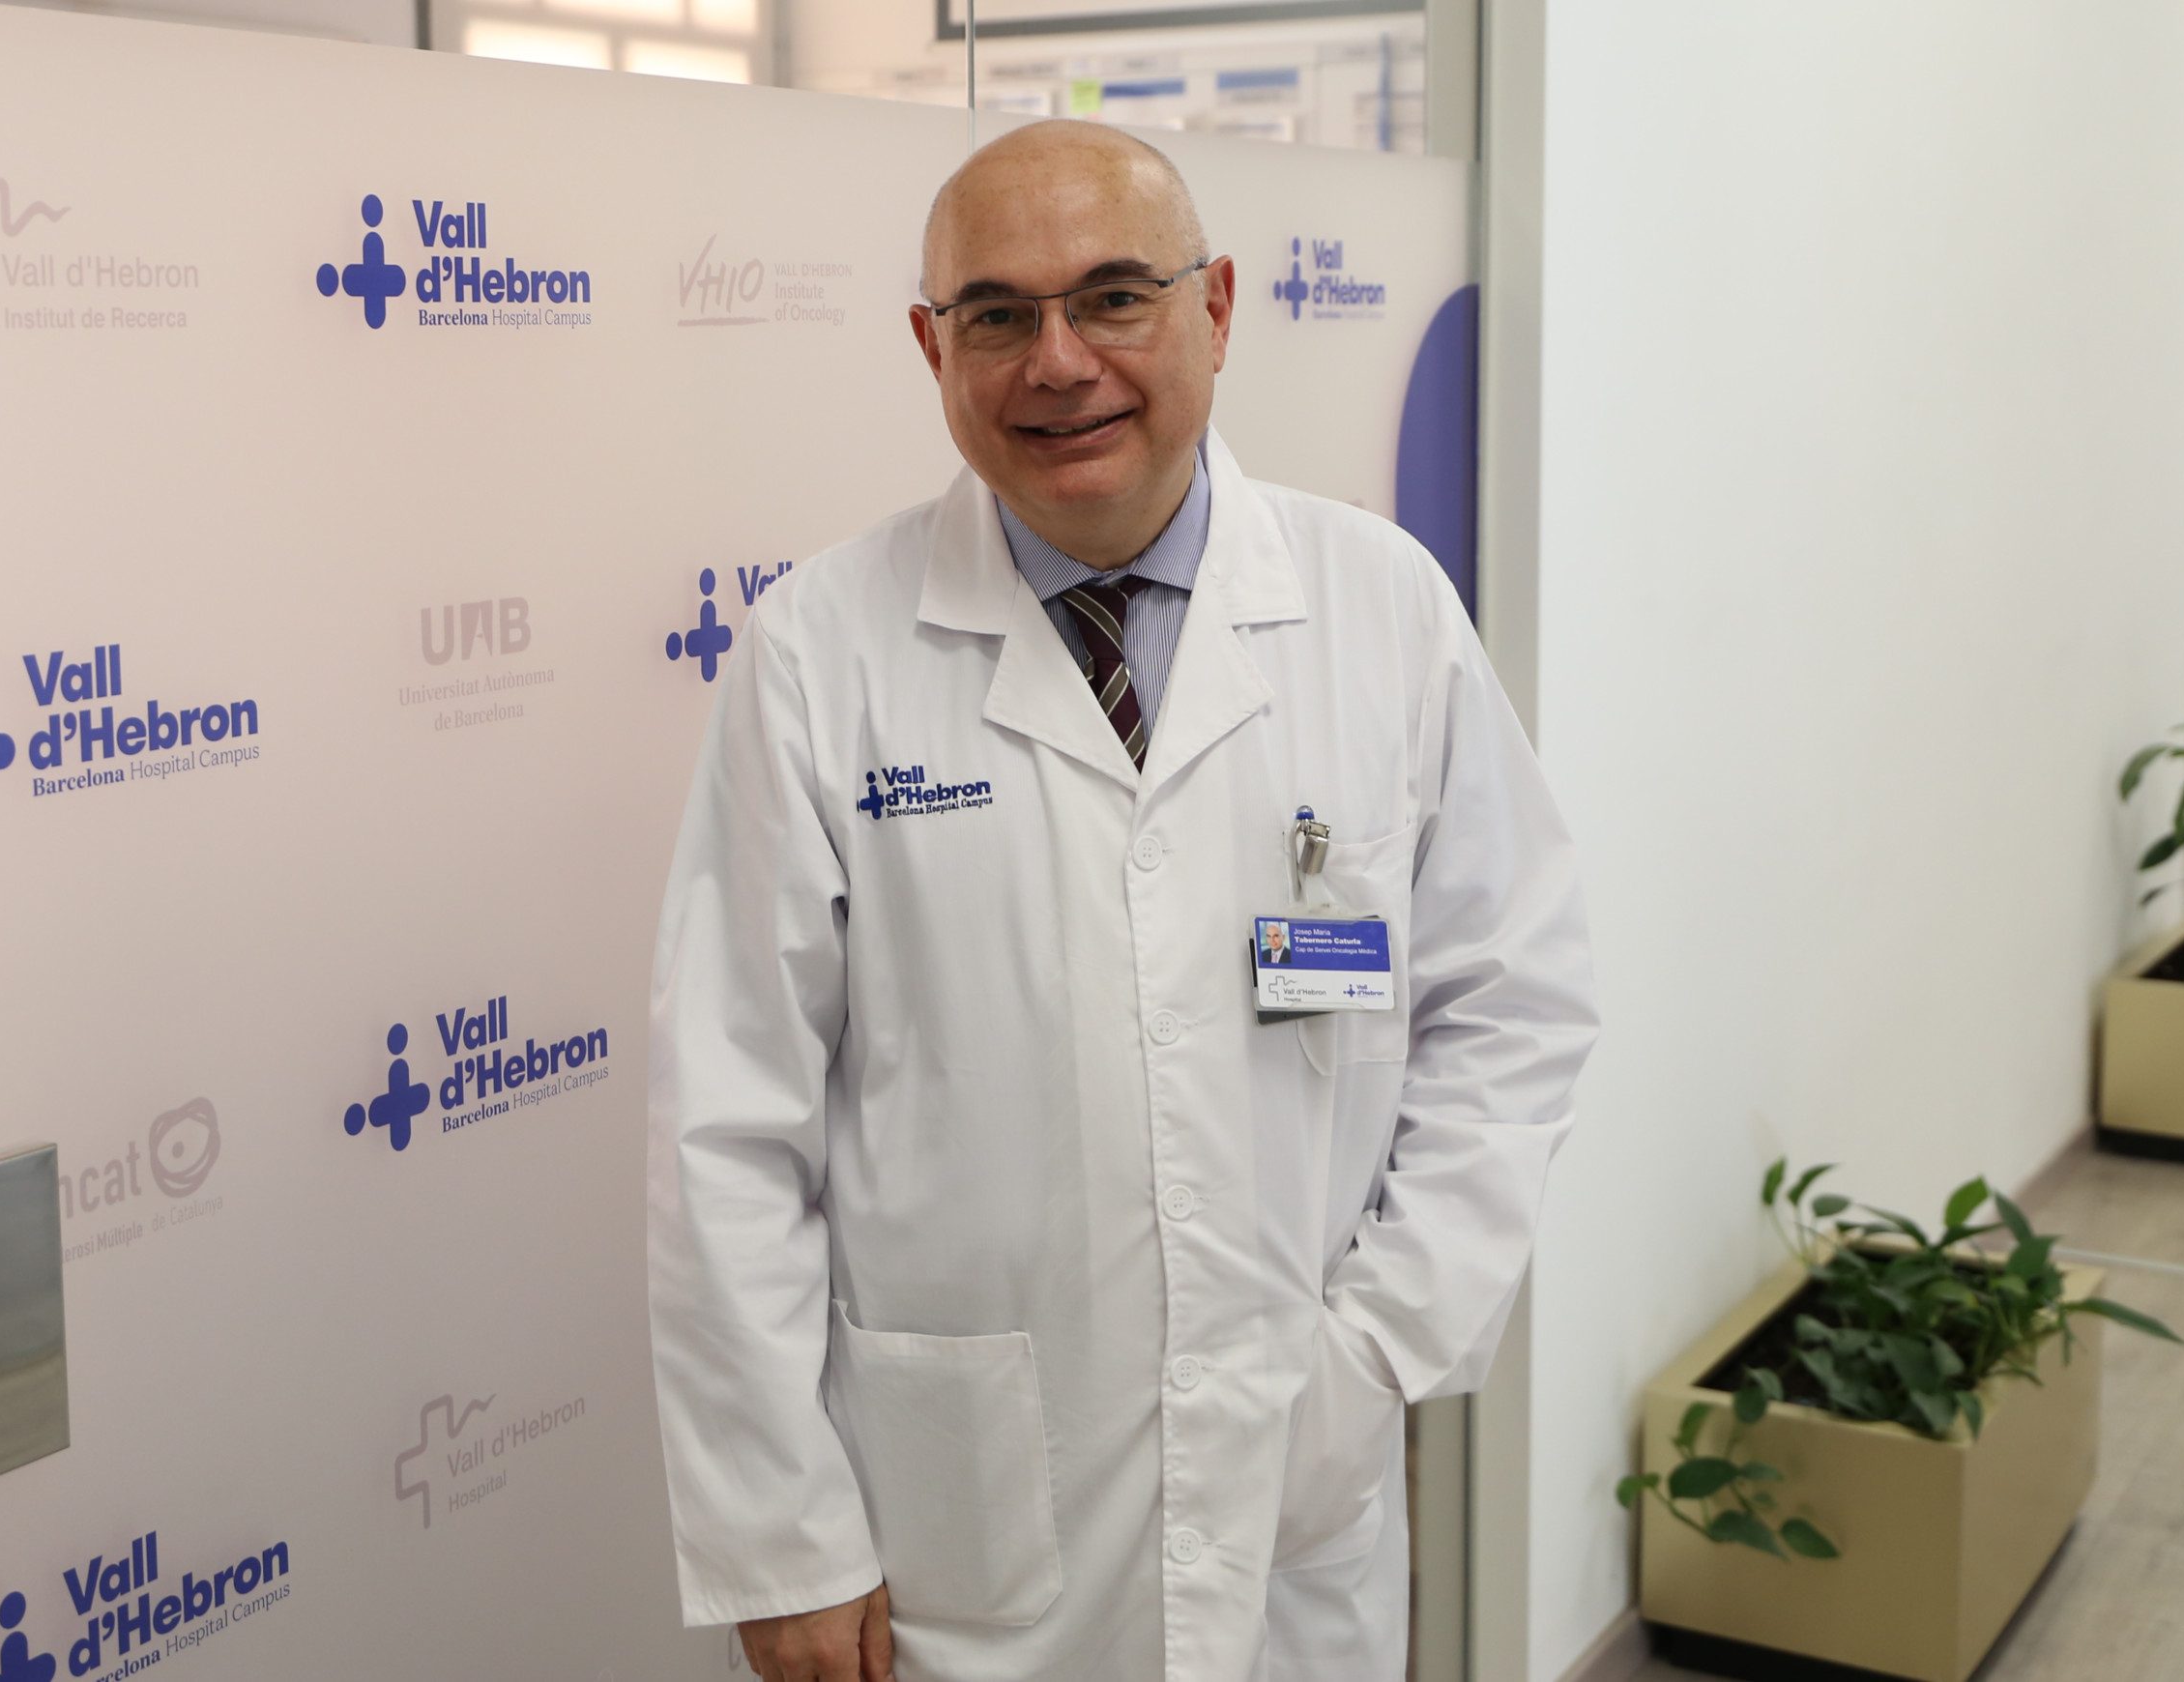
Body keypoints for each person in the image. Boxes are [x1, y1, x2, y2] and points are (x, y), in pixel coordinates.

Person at [647, 120, 1597, 1682]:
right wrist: (782, 1531)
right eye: (995, 315)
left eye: (1112, 296)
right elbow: (725, 1123)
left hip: (1294, 1486)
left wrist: (1379, 1345)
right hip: (958, 1527)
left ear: (1214, 309)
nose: (1057, 361)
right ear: (931, 350)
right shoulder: (817, 652)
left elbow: (1514, 1001)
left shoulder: (1381, 607)